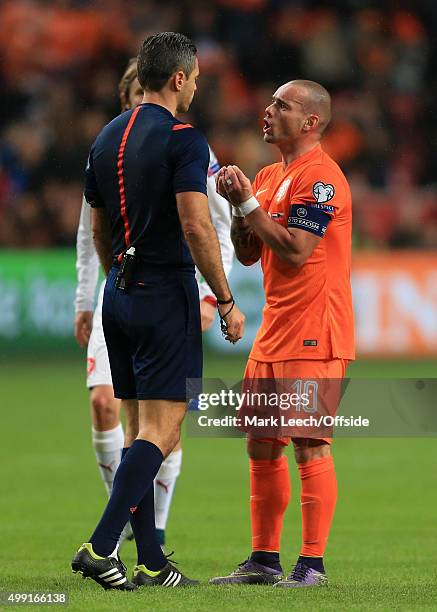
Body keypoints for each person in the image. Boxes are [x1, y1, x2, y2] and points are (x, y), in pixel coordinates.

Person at [71, 32, 245, 590]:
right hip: (163, 291)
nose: (196, 86)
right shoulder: (184, 139)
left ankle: (150, 560)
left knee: (139, 429)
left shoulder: (105, 137)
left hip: (117, 293)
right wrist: (225, 296)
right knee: (164, 430)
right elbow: (197, 225)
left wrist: (113, 276)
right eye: (194, 78)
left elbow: (97, 228)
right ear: (177, 78)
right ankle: (100, 547)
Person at [210, 79, 355, 587]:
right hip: (275, 328)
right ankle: (264, 560)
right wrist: (237, 207)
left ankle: (311, 564)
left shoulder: (323, 179)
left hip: (316, 330)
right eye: (270, 101)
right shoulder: (270, 175)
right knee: (262, 443)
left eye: (281, 105)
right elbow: (251, 253)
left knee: (309, 443)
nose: (267, 110)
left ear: (310, 122)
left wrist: (249, 204)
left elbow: (295, 250)